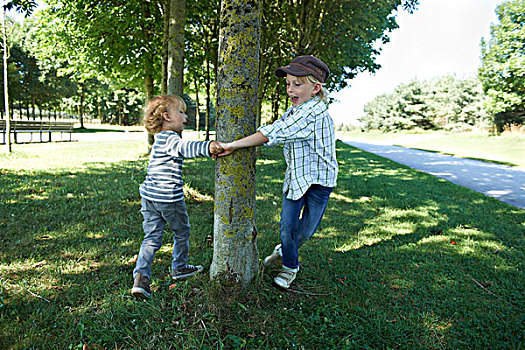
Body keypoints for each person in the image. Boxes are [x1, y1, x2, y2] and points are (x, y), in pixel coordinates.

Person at [217, 55, 338, 289]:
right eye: (288, 84)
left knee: (305, 232)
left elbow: (274, 133)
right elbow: (279, 131)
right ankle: (290, 266)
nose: (290, 90)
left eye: (297, 84)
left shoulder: (313, 112)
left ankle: (284, 250)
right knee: (287, 227)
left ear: (316, 88)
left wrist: (232, 145)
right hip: (298, 178)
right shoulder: (296, 110)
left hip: (321, 180)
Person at [131, 95, 223, 299]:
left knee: (151, 238)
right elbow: (185, 148)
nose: (185, 116)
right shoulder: (171, 139)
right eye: (181, 112)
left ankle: (141, 278)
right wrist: (208, 147)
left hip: (149, 196)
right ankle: (179, 267)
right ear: (167, 117)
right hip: (168, 198)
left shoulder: (159, 139)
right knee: (182, 232)